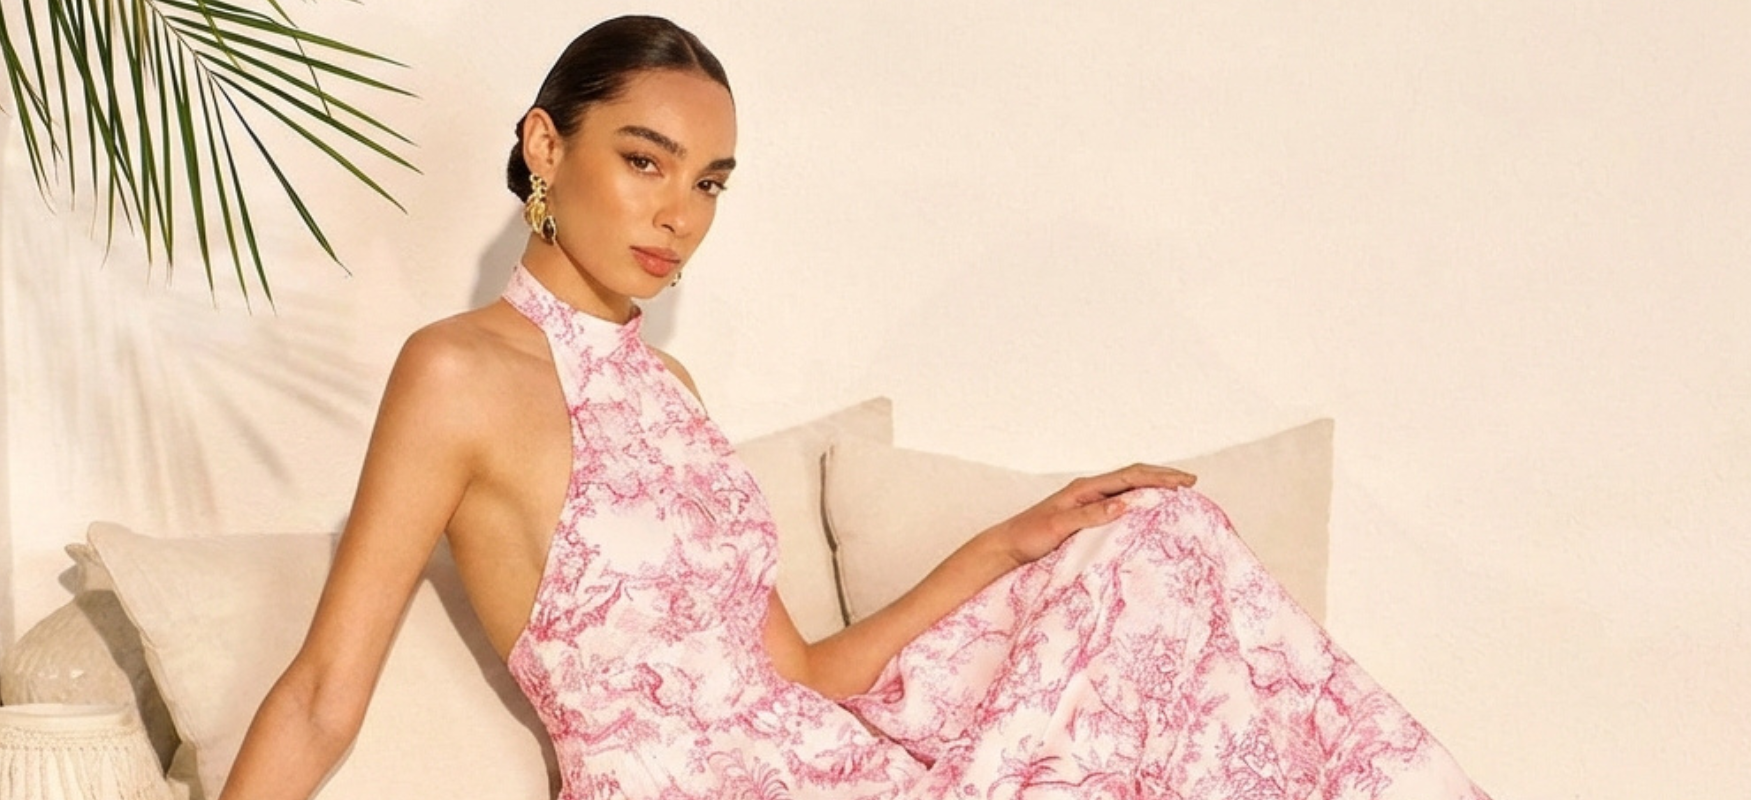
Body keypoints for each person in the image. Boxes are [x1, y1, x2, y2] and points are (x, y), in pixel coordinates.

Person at [219, 15, 1483, 800]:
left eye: (709, 183)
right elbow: (327, 688)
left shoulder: (670, 390)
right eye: (644, 160)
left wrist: (1014, 539)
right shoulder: (456, 373)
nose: (678, 214)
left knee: (1158, 538)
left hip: (831, 768)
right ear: (547, 147)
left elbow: (801, 672)